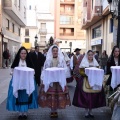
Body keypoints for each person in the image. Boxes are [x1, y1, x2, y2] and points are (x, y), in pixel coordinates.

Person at [38, 45, 71, 118]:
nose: (55, 52)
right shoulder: (48, 60)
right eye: (54, 51)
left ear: (58, 52)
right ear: (52, 52)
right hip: (51, 81)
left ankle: (55, 110)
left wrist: (61, 72)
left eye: (56, 51)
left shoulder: (61, 60)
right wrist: (43, 79)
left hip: (58, 82)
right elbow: (44, 69)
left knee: (57, 95)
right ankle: (52, 110)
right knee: (51, 96)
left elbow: (65, 69)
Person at [6, 47, 38, 119]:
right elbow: (11, 71)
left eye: (25, 53)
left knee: (26, 96)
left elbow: (33, 71)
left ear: (26, 54)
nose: (23, 55)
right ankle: (20, 113)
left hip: (27, 82)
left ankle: (25, 112)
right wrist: (13, 72)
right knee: (19, 97)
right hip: (18, 82)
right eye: (22, 53)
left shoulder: (29, 62)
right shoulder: (16, 62)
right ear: (19, 54)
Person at [72, 50, 106, 118]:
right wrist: (87, 74)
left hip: (93, 81)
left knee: (93, 96)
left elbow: (97, 71)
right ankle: (86, 111)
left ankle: (91, 111)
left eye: (91, 55)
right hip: (85, 80)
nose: (90, 56)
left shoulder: (95, 63)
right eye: (89, 55)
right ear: (87, 56)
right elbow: (81, 72)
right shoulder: (84, 62)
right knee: (86, 96)